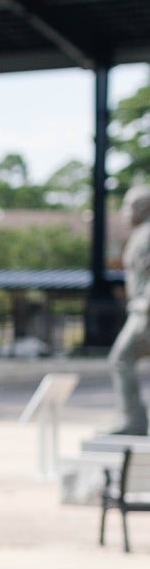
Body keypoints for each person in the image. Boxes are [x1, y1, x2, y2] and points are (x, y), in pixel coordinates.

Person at [107, 183, 150, 436]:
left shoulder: (146, 236)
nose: (124, 213)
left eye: (127, 207)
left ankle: (133, 420)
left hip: (145, 312)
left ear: (143, 209)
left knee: (121, 359)